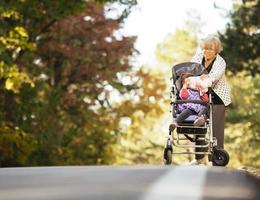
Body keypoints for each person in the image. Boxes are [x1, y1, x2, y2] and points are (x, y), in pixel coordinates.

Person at [190, 35, 232, 165]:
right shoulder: (197, 57)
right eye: (205, 48)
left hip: (217, 96)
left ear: (216, 51)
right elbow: (190, 71)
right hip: (200, 95)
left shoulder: (220, 62)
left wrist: (203, 78)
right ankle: (199, 158)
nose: (207, 51)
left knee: (216, 128)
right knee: (199, 124)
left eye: (211, 49)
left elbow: (215, 77)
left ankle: (217, 158)